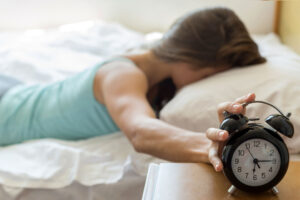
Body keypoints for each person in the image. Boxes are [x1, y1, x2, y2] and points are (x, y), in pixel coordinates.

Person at [0, 7, 265, 172]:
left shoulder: (151, 72)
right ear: (193, 58)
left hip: (16, 91)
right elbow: (141, 132)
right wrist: (207, 144)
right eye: (210, 74)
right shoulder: (122, 74)